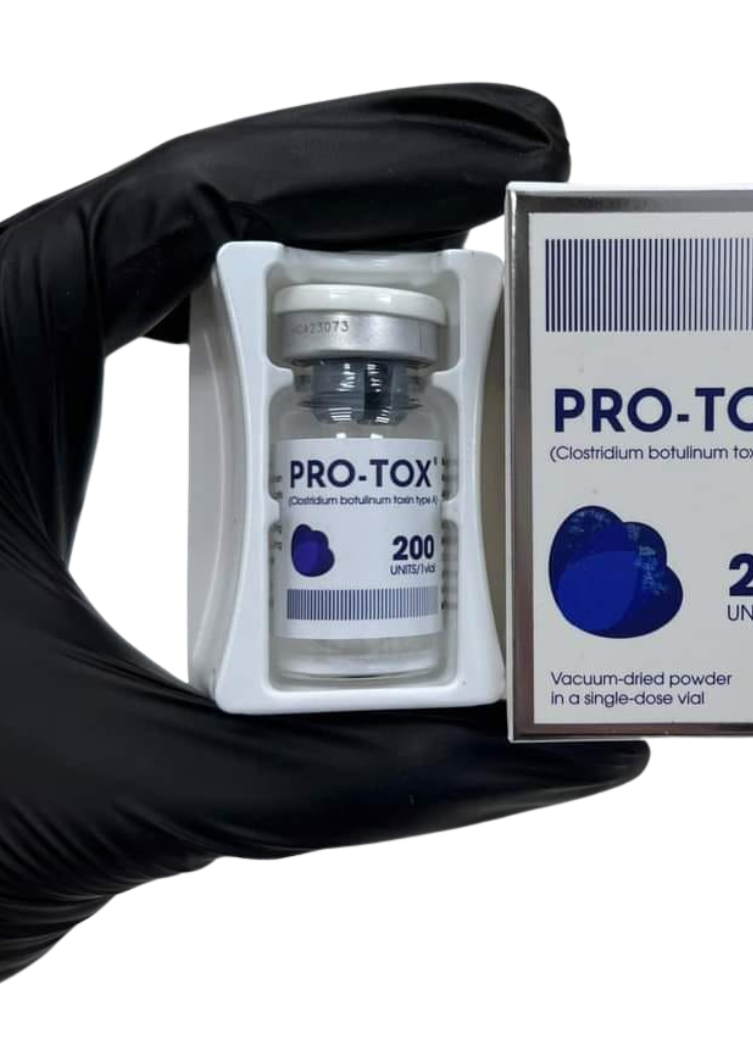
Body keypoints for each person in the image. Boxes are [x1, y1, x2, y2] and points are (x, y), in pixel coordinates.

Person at [0, 83, 648, 982]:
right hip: (315, 656)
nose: (360, 397)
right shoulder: (308, 417)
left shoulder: (420, 418)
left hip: (409, 648)